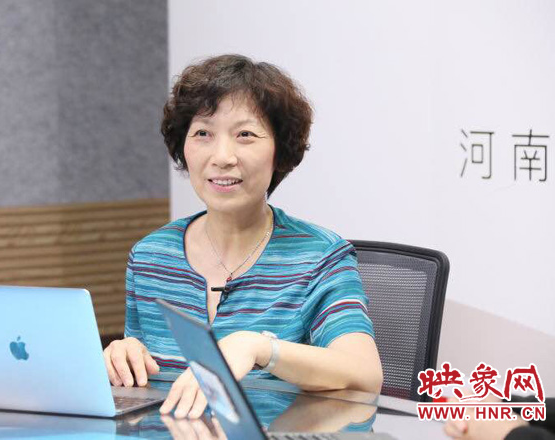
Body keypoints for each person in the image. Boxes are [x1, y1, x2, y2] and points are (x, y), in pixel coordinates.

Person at [103, 54, 383, 419]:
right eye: (203, 134)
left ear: (280, 151)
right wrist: (123, 355)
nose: (222, 157)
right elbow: (143, 389)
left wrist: (259, 348)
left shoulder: (319, 256)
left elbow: (365, 375)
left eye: (245, 135)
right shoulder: (151, 256)